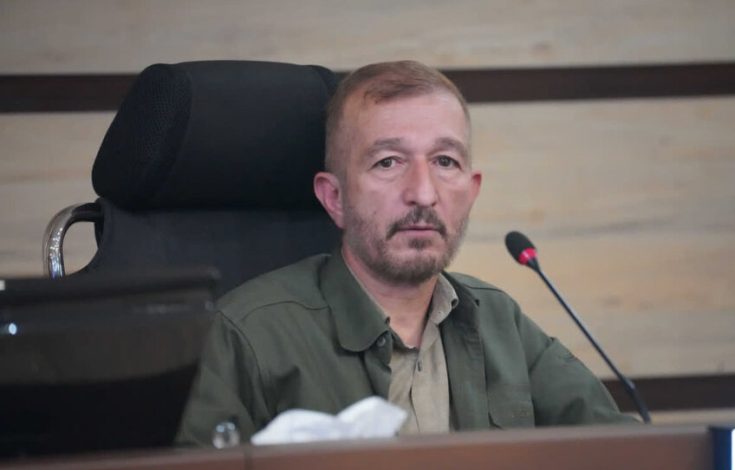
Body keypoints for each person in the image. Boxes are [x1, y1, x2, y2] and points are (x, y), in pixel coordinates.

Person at [177, 60, 633, 446]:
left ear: (470, 191)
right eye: (388, 162)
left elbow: (626, 451)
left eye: (445, 161)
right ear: (335, 197)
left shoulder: (500, 322)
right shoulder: (249, 335)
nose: (423, 193)